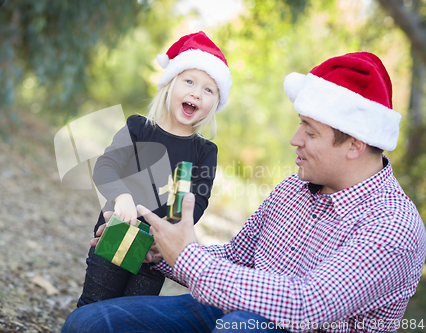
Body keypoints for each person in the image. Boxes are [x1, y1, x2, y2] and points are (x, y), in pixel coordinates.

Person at [63, 52, 426, 333]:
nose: (294, 140)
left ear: (355, 145)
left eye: (310, 132)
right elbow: (236, 257)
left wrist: (188, 257)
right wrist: (159, 253)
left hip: (277, 325)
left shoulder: (393, 225)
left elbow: (307, 304)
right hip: (230, 311)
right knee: (90, 324)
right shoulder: (293, 189)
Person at [76, 31, 233, 306]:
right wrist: (122, 196)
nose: (196, 92)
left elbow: (195, 203)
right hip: (117, 230)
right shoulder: (138, 128)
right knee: (94, 305)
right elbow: (105, 166)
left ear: (214, 104)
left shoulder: (205, 152)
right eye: (189, 81)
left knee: (130, 318)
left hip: (154, 251)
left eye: (208, 89)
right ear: (170, 84)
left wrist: (169, 237)